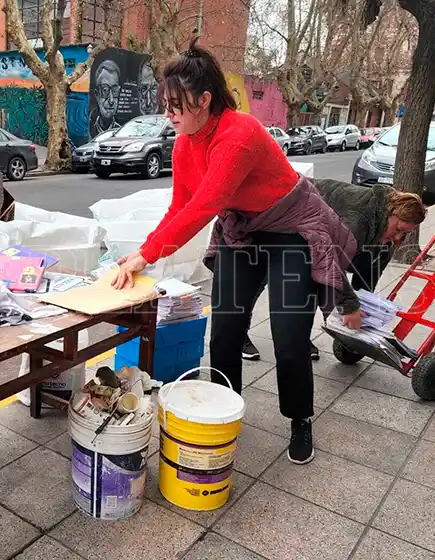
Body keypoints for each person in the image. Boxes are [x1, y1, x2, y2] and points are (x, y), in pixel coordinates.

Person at [111, 39, 361, 465]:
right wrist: (141, 252)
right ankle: (225, 411)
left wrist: (144, 257)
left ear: (204, 100)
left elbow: (205, 206)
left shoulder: (238, 133)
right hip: (241, 232)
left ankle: (300, 418)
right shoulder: (183, 142)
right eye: (165, 105)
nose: (168, 115)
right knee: (225, 329)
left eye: (176, 106)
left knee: (288, 335)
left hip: (288, 231)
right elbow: (180, 207)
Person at [235, 180, 427, 361]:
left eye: (406, 233)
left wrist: (362, 313)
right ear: (391, 213)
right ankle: (238, 335)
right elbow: (330, 263)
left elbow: (367, 277)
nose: (398, 237)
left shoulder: (385, 236)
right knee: (261, 279)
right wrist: (349, 306)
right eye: (399, 229)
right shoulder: (358, 221)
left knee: (313, 283)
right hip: (287, 219)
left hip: (319, 234)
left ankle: (299, 339)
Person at [91, 60, 122, 135]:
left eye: (115, 91)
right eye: (105, 90)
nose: (111, 100)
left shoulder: (122, 132)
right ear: (96, 94)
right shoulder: (89, 130)